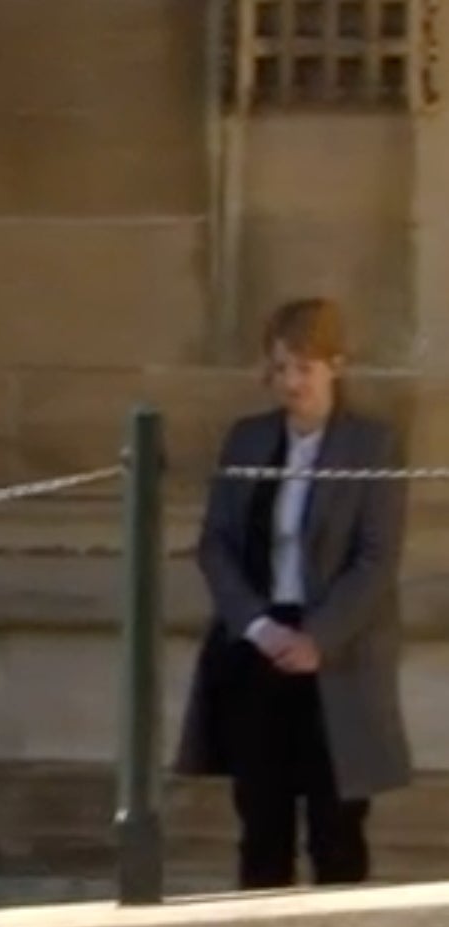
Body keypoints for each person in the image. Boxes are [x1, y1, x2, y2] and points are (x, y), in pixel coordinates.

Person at [176, 297, 411, 889]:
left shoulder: (372, 445)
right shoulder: (247, 440)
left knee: (336, 824)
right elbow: (216, 544)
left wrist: (318, 638)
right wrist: (258, 626)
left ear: (337, 365)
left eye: (303, 368)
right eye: (279, 368)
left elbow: (376, 558)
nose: (290, 382)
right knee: (261, 821)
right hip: (259, 643)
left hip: (337, 650)